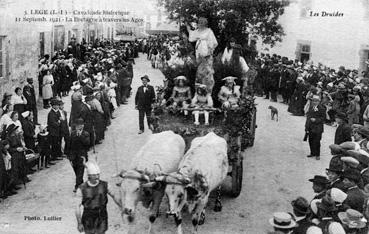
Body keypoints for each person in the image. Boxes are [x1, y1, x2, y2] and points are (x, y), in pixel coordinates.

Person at [74, 160, 121, 234]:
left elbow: (115, 196)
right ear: (89, 175)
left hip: (102, 216)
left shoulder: (105, 185)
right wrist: (79, 223)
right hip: (88, 217)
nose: (97, 176)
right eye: (94, 175)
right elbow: (77, 206)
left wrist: (122, 206)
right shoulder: (81, 188)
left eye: (98, 174)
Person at [186, 17, 218, 93]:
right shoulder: (197, 31)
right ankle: (199, 92)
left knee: (207, 73)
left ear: (205, 23)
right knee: (199, 73)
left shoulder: (209, 31)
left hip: (206, 55)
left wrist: (209, 52)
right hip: (199, 55)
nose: (200, 24)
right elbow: (191, 36)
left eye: (201, 22)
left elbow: (213, 43)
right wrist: (187, 27)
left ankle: (208, 91)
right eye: (199, 22)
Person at [68, 118, 90, 192]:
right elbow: (70, 145)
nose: (78, 127)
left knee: (80, 172)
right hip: (74, 156)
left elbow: (87, 144)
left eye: (80, 125)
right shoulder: (73, 133)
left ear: (83, 126)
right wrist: (69, 156)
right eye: (77, 125)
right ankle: (81, 184)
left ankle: (77, 186)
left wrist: (80, 136)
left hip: (82, 156)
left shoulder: (86, 134)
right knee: (76, 171)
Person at [305, 95, 326, 160]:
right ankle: (312, 152)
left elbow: (323, 118)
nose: (314, 102)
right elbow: (308, 117)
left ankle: (317, 154)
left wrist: (316, 120)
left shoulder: (322, 108)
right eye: (313, 101)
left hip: (318, 128)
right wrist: (306, 126)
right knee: (310, 140)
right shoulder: (311, 107)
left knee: (317, 141)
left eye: (316, 101)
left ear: (319, 102)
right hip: (311, 127)